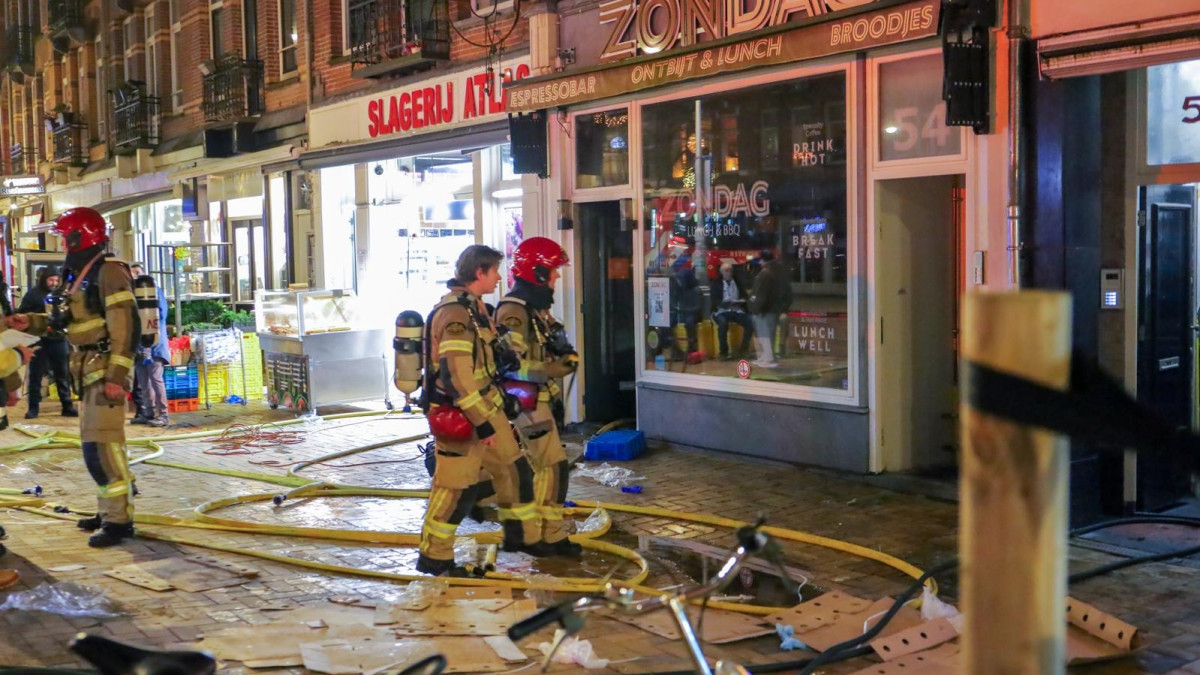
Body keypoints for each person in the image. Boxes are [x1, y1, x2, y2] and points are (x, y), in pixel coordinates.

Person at [5, 207, 140, 548]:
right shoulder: (80, 272)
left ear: (81, 236)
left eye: (65, 237)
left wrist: (117, 375)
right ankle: (108, 511)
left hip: (104, 369)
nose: (63, 243)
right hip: (87, 369)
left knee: (101, 448)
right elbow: (67, 321)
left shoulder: (109, 272)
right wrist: (31, 322)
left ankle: (119, 521)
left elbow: (126, 325)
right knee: (97, 446)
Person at [415, 244, 547, 576]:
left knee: (515, 470)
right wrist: (482, 423)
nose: (499, 278)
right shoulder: (455, 316)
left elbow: (486, 362)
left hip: (488, 408)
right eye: (495, 271)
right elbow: (457, 376)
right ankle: (435, 557)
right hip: (462, 416)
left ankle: (522, 537)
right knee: (457, 490)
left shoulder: (476, 309)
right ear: (479, 272)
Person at [494, 237, 582, 558]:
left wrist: (562, 348)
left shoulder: (535, 308)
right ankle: (548, 536)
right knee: (552, 466)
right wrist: (551, 369)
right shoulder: (513, 311)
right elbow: (509, 367)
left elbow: (553, 340)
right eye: (553, 271)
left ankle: (545, 533)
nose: (557, 276)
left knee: (549, 467)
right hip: (526, 401)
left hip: (539, 400)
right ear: (537, 272)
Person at [17, 267, 77, 418]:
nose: (54, 283)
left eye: (57, 280)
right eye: (51, 280)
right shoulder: (33, 295)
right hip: (39, 340)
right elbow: (22, 314)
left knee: (62, 374)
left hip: (58, 339)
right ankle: (33, 408)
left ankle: (67, 406)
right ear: (44, 279)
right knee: (36, 376)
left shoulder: (63, 295)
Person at [129, 263, 169, 427]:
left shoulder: (155, 293)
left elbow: (161, 315)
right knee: (143, 382)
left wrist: (150, 340)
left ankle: (163, 414)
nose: (136, 276)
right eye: (133, 274)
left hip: (155, 345)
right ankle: (148, 413)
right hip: (139, 346)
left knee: (156, 380)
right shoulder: (132, 295)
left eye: (138, 273)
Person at [748, 250, 792, 368]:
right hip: (772, 308)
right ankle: (766, 358)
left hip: (765, 310)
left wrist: (755, 308)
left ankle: (768, 359)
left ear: (763, 260)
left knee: (765, 334)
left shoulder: (765, 274)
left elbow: (761, 294)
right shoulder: (777, 271)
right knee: (766, 334)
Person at [711, 262, 753, 361]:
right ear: (721, 272)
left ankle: (743, 350)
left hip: (736, 310)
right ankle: (723, 352)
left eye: (730, 271)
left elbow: (745, 296)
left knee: (750, 322)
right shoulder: (716, 284)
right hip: (721, 311)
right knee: (723, 324)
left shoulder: (737, 282)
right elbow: (714, 301)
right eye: (726, 271)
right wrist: (723, 303)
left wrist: (741, 301)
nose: (729, 273)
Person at [671, 252, 701, 359]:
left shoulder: (693, 290)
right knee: (669, 323)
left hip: (689, 311)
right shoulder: (677, 285)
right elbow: (674, 301)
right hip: (682, 310)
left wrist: (680, 309)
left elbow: (695, 306)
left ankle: (690, 348)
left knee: (689, 322)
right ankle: (677, 350)